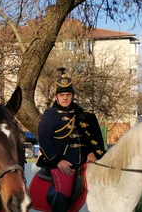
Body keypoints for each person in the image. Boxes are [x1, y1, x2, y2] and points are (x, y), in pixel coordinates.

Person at [37, 68, 106, 212]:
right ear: (56, 97)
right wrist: (58, 161)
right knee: (65, 189)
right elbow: (44, 141)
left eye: (68, 94)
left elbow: (96, 138)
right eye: (62, 95)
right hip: (62, 164)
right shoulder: (50, 115)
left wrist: (94, 153)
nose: (65, 98)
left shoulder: (85, 115)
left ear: (73, 95)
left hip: (86, 161)